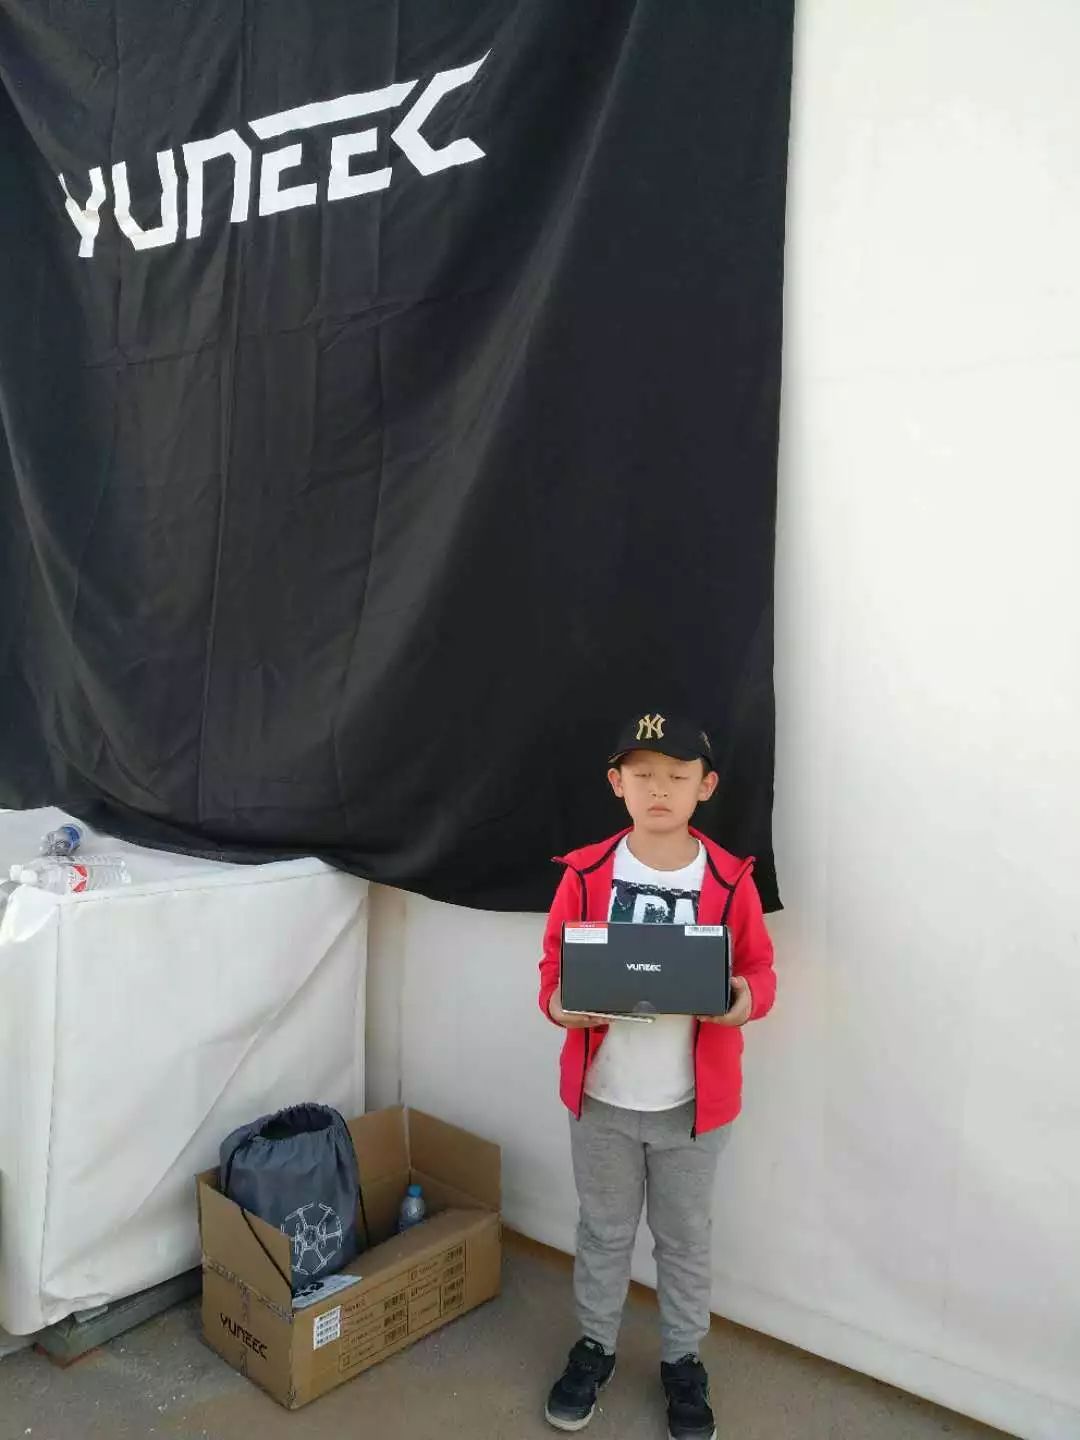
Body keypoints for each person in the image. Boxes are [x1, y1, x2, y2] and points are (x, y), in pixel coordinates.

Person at [538, 712, 777, 1440]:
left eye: (677, 775)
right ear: (617, 784)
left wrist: (742, 1001)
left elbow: (760, 970)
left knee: (684, 1239)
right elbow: (553, 967)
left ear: (707, 786)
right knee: (603, 1232)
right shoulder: (586, 873)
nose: (659, 789)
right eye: (643, 775)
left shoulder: (729, 879)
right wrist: (559, 1004)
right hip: (602, 1099)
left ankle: (682, 1360)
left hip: (691, 1109)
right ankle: (595, 1347)